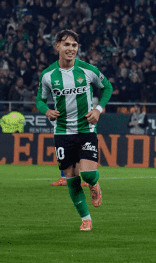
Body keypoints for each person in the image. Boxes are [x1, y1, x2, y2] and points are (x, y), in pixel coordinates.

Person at [36, 29, 112, 231]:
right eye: (66, 44)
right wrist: (46, 111)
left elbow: (108, 87)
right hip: (62, 132)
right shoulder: (48, 75)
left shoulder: (88, 70)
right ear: (57, 46)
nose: (71, 49)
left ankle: (94, 185)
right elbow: (40, 100)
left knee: (87, 175)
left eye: (74, 45)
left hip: (86, 129)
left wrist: (98, 109)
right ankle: (86, 219)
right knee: (71, 179)